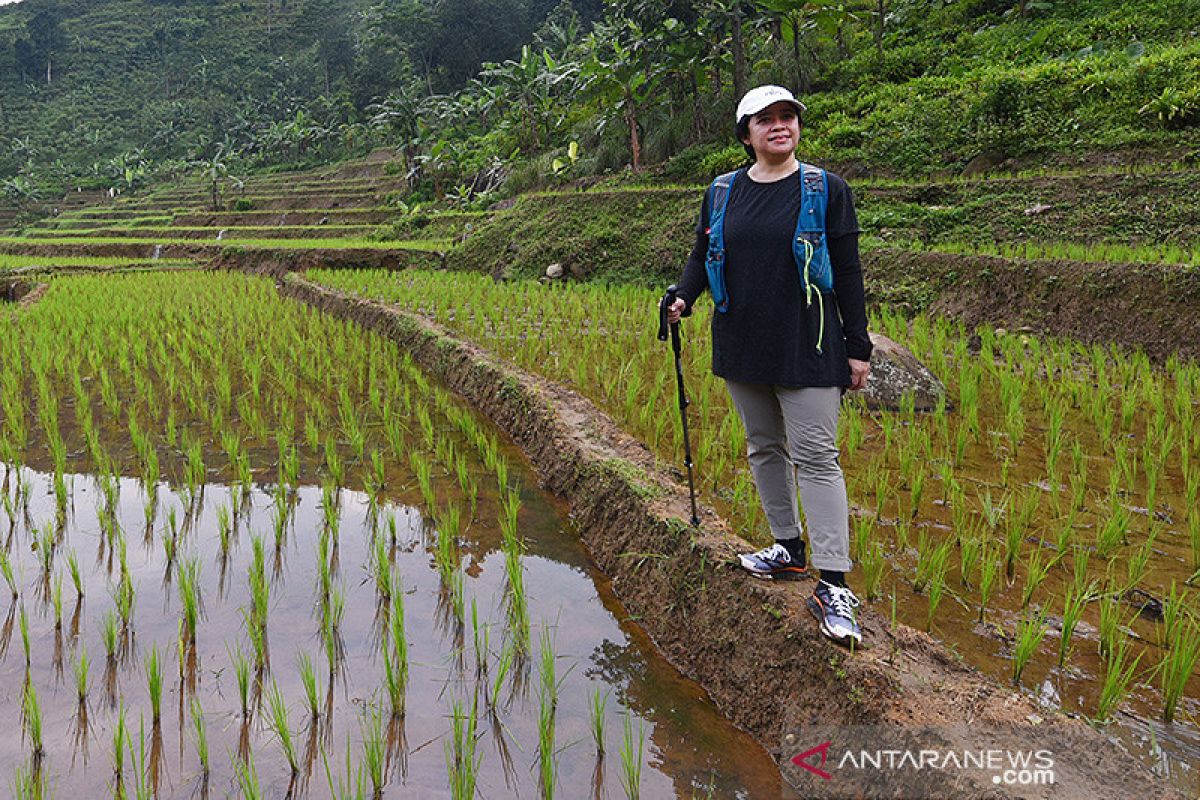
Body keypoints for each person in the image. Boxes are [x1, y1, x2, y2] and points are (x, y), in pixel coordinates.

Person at [665, 85, 872, 645]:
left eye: (788, 117)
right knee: (763, 447)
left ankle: (833, 583)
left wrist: (859, 347)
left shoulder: (825, 189)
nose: (779, 126)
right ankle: (788, 547)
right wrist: (684, 297)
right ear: (746, 133)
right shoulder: (722, 191)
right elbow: (703, 256)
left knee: (818, 457)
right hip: (742, 340)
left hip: (810, 343)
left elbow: (848, 271)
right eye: (766, 120)